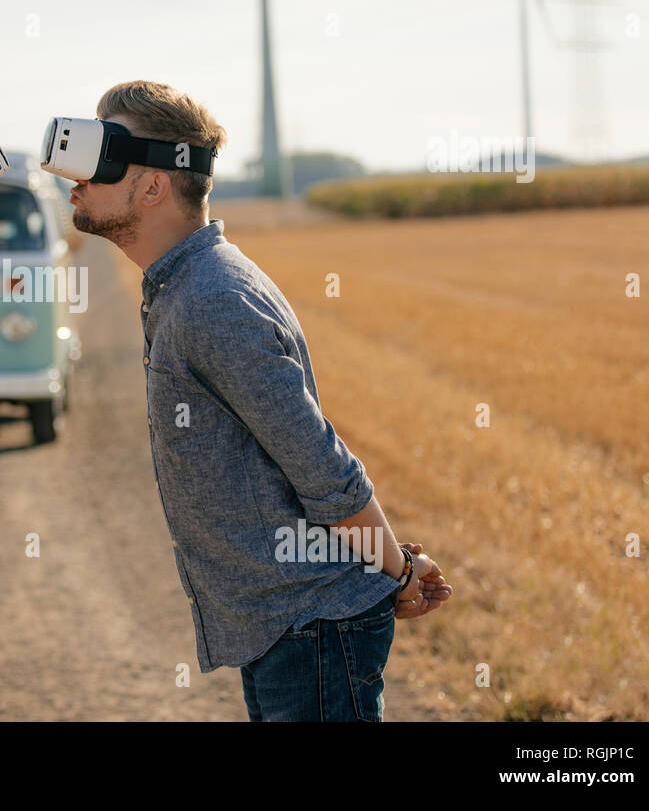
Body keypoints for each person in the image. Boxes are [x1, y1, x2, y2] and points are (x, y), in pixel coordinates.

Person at [54, 80, 452, 721]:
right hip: (290, 629)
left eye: (102, 157)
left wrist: (397, 573)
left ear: (154, 185)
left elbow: (323, 468)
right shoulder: (186, 285)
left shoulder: (211, 299)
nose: (74, 176)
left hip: (313, 630)